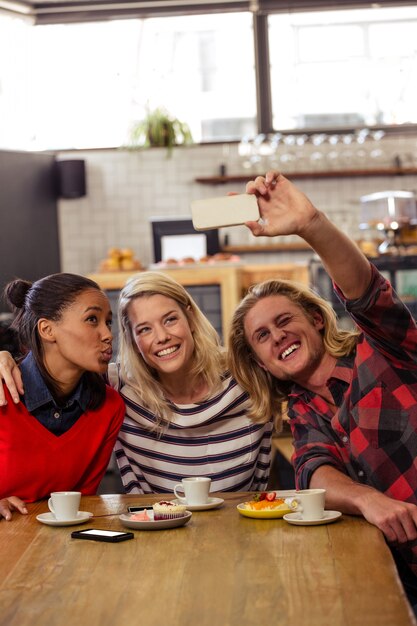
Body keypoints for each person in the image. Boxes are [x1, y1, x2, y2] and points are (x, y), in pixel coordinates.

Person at [227, 170, 417, 612]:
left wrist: (311, 224)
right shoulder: (303, 409)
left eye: (284, 320)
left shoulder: (383, 351)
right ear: (259, 360)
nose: (277, 336)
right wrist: (367, 498)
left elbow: (368, 293)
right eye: (261, 336)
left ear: (315, 319)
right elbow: (314, 474)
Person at [1, 271, 273, 496]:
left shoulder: (109, 402)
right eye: (144, 328)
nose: (107, 335)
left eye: (170, 319)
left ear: (190, 317)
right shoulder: (117, 388)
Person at [0, 273, 125, 520]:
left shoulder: (110, 408)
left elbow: (83, 504)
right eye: (92, 319)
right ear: (47, 329)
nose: (108, 334)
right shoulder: (1, 394)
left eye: (108, 322)